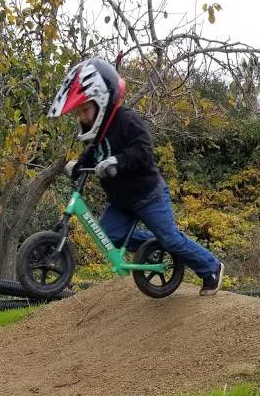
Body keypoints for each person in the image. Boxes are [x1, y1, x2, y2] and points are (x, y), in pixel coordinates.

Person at [49, 57, 225, 295]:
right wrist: (79, 165)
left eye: (85, 110)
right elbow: (93, 153)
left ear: (102, 101)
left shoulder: (126, 120)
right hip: (122, 202)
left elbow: (143, 150)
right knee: (109, 235)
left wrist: (117, 161)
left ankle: (211, 267)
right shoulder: (99, 133)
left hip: (148, 195)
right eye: (78, 113)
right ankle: (158, 243)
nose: (82, 118)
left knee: (171, 239)